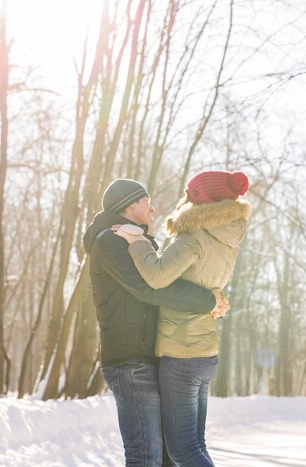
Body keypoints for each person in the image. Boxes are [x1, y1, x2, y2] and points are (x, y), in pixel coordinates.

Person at [83, 178, 228, 467]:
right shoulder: (109, 242)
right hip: (129, 361)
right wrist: (207, 301)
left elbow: (169, 281)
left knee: (166, 458)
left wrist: (215, 295)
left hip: (150, 357)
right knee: (145, 455)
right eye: (147, 201)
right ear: (130, 204)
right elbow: (151, 289)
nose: (153, 207)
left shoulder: (139, 241)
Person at [114, 170, 251, 466]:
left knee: (182, 451)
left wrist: (137, 242)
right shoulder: (226, 235)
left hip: (181, 354)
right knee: (195, 444)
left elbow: (157, 276)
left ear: (198, 198)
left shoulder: (193, 235)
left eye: (188, 193)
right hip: (204, 352)